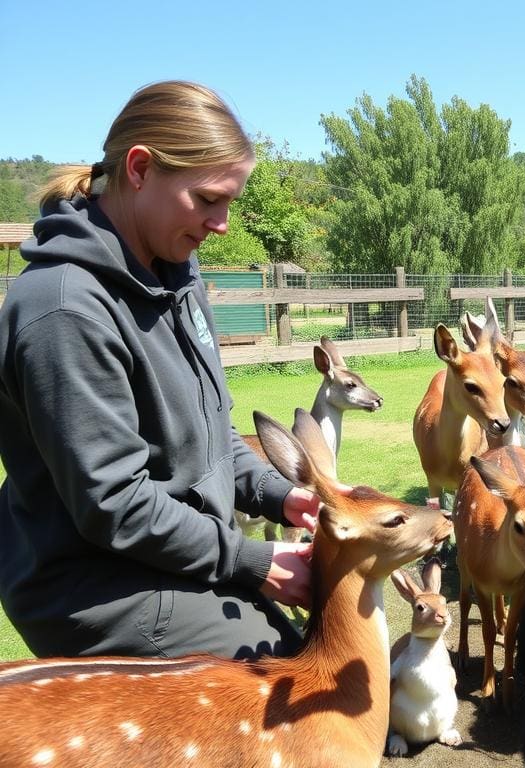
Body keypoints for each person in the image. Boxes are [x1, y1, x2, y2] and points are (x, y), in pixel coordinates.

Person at [0, 80, 320, 660]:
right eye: (206, 199)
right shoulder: (65, 309)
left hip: (174, 559)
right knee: (299, 686)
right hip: (101, 588)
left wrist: (281, 496)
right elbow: (114, 505)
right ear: (141, 168)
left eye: (231, 201)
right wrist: (252, 562)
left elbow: (213, 427)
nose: (221, 222)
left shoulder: (177, 272)